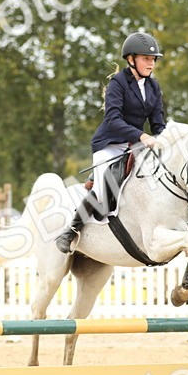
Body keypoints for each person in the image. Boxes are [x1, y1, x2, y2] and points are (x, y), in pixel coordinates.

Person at [56, 32, 167, 254]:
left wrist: (167, 140)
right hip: (109, 143)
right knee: (103, 189)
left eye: (153, 59)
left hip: (135, 145)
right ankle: (71, 230)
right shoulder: (118, 83)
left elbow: (158, 124)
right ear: (131, 59)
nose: (151, 63)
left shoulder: (153, 87)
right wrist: (141, 136)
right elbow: (113, 120)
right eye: (146, 58)